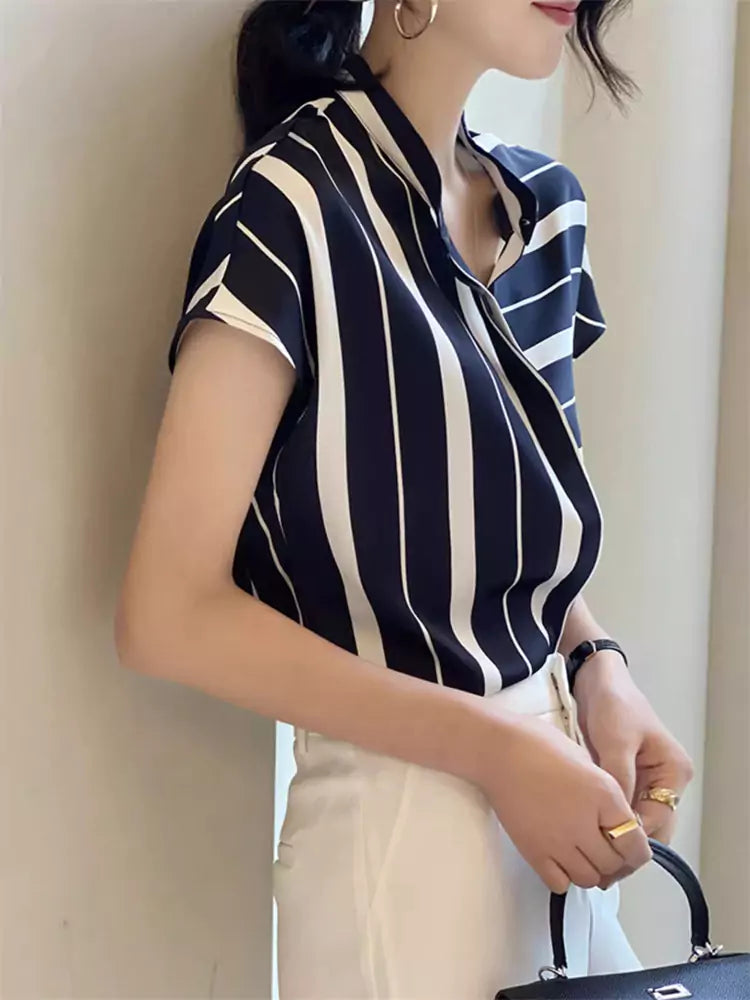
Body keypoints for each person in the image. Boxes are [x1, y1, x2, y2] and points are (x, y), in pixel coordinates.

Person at [114, 0, 695, 996]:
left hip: (553, 814)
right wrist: (495, 749)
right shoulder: (294, 204)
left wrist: (597, 664)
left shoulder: (544, 214)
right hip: (398, 849)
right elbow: (167, 614)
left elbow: (503, 522)